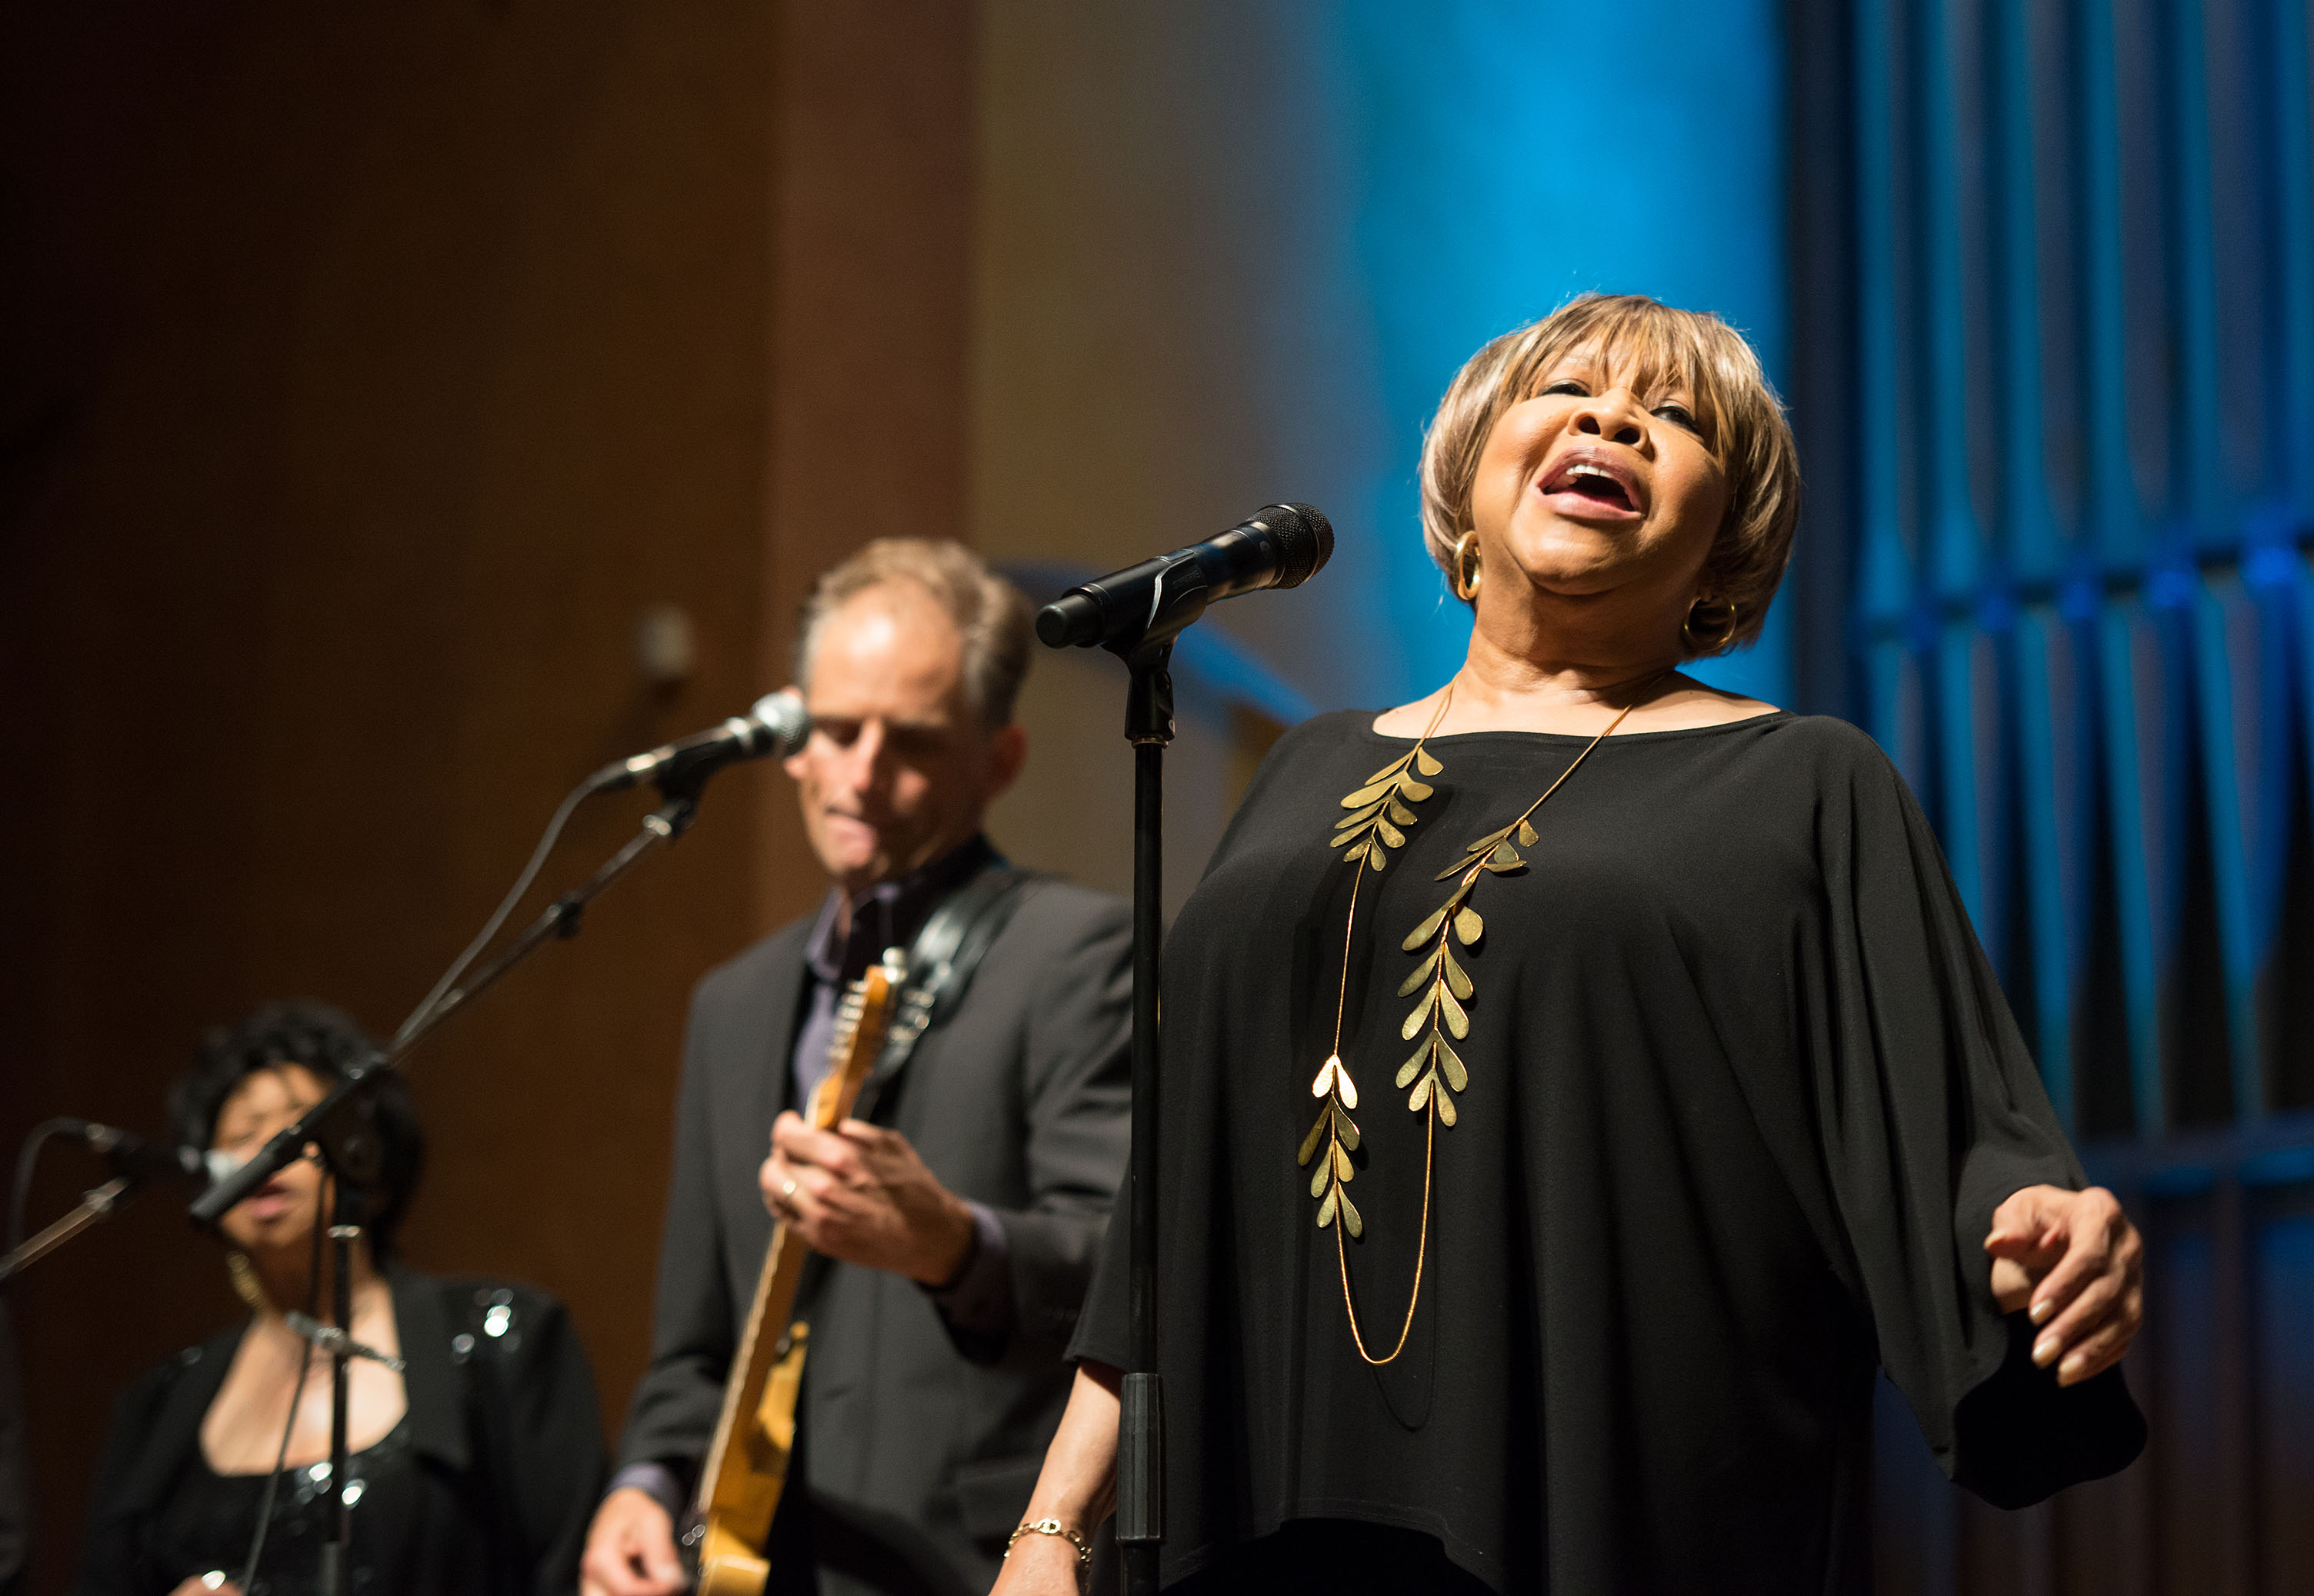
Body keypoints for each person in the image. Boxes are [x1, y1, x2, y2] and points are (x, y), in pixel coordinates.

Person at [995, 294, 2149, 1595]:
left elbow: (1949, 1131)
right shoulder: (1307, 769)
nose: (1612, 419)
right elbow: (1177, 1197)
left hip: (1621, 1505)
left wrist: (2044, 1230)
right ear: (1469, 470)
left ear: (1727, 538)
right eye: (1565, 392)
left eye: (1673, 416)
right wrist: (1054, 1524)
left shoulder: (1802, 784)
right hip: (1261, 1518)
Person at [582, 540, 1134, 1596]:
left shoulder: (1077, 953)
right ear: (793, 738)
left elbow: (1126, 1270)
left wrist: (955, 1244)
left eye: (912, 741)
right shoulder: (732, 1003)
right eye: (837, 731)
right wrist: (645, 1482)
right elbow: (695, 1345)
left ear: (1001, 760)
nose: (863, 774)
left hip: (974, 1564)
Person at [75, 1001, 604, 1596]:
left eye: (295, 1129)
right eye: (241, 1136)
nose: (265, 1154)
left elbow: (580, 1572)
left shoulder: (501, 1340)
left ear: (368, 1157)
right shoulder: (158, 1407)